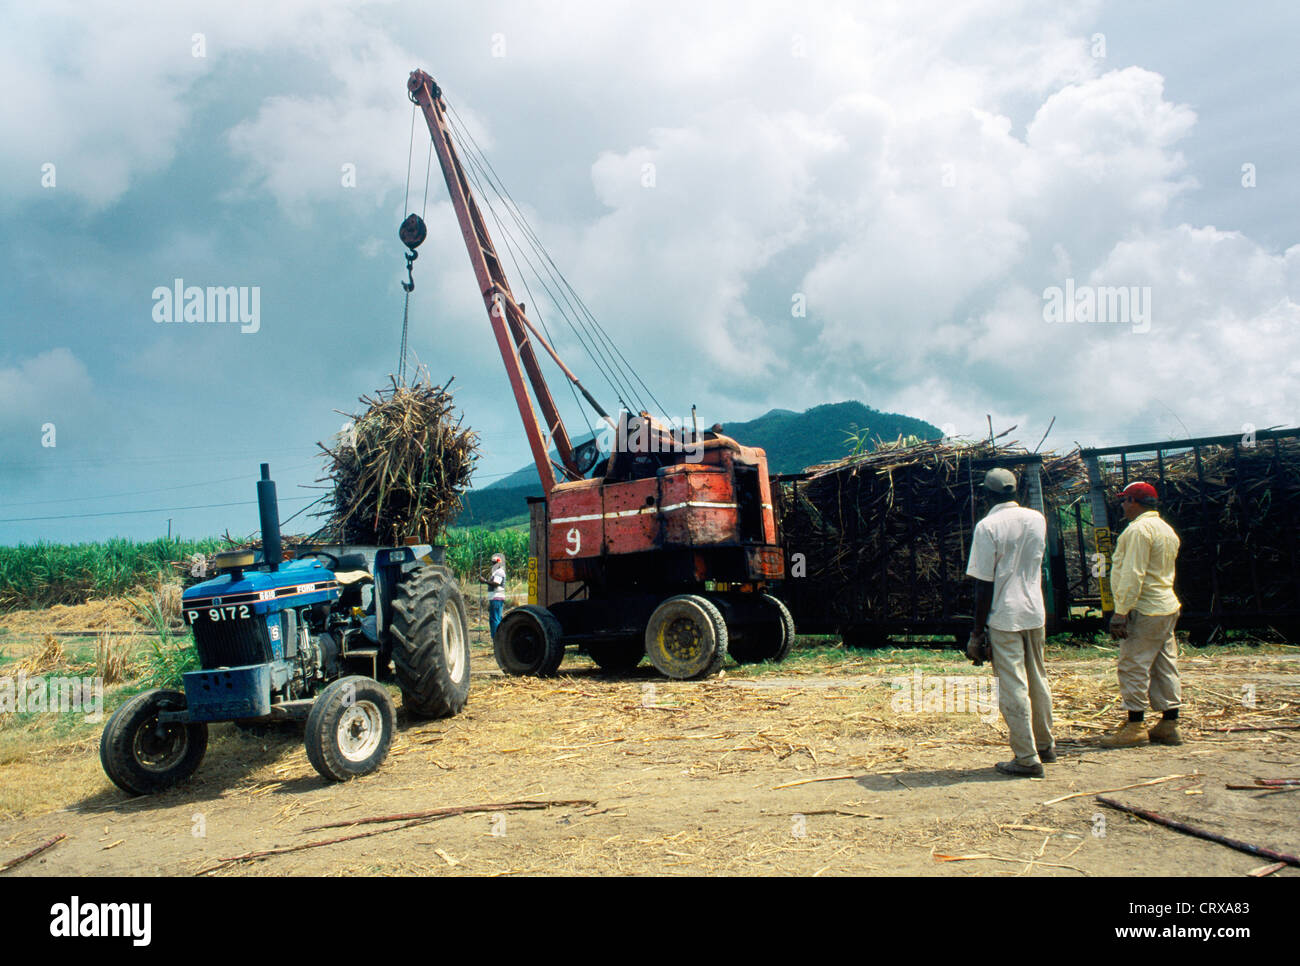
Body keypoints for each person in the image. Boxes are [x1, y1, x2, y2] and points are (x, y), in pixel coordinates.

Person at [966, 468, 1056, 778]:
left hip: (1005, 615)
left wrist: (977, 633)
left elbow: (983, 584)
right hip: (1034, 610)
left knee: (1012, 685)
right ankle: (1045, 745)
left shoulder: (987, 526)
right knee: (1038, 678)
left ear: (986, 494)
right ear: (1014, 489)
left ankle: (1027, 758)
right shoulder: (1036, 520)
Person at [1100, 481, 1183, 747]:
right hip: (1166, 605)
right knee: (1164, 664)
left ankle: (1135, 726)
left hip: (1144, 608)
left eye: (1124, 500)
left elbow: (1133, 574)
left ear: (1134, 501)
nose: (1122, 506)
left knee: (1133, 665)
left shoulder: (1137, 531)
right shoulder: (1165, 529)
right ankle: (1169, 723)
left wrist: (1121, 612)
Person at [486, 553, 507, 641]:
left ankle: (496, 639)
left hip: (496, 597)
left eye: (494, 563)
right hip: (495, 598)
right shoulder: (497, 572)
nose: (493, 565)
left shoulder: (499, 572)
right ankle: (499, 638)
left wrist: (485, 581)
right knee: (497, 618)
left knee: (495, 619)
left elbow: (496, 583)